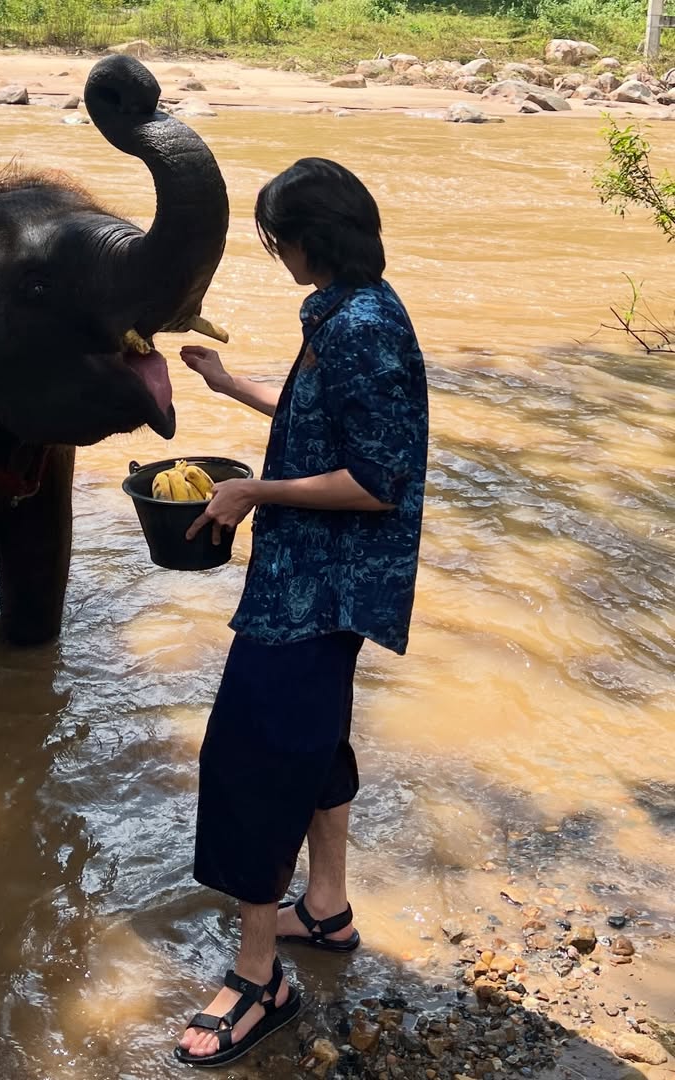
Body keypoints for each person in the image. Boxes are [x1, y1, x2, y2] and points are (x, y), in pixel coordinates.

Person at [171, 157, 429, 1068]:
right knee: (314, 742)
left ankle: (258, 977)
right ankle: (323, 910)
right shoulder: (352, 310)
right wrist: (230, 385)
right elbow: (330, 424)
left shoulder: (362, 326)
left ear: (306, 241)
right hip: (311, 578)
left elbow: (377, 480)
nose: (275, 256)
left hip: (318, 590)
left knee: (248, 757)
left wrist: (251, 492)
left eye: (275, 241)